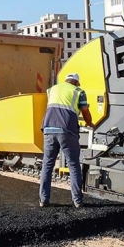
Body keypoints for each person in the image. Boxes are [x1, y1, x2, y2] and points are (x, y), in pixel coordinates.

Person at [39, 73, 95, 208]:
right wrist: (90, 123)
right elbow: (85, 111)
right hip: (67, 130)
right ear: (76, 82)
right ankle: (77, 201)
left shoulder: (52, 89)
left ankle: (43, 200)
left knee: (47, 164)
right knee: (73, 165)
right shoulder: (78, 91)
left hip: (48, 128)